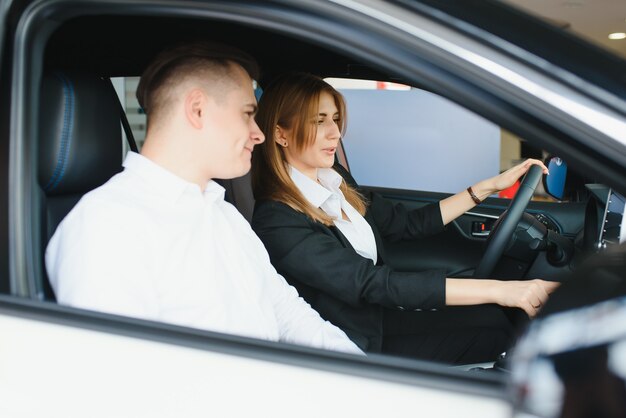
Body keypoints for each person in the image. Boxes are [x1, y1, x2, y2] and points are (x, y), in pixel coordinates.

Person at [45, 43, 362, 355]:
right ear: (197, 109)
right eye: (248, 114)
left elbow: (287, 313)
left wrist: (359, 372)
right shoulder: (107, 229)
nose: (259, 133)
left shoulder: (222, 213)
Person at [250, 72, 560, 363]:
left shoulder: (335, 179)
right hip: (359, 340)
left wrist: (488, 187)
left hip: (383, 314)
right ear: (281, 134)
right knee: (499, 333)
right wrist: (502, 289)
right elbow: (372, 284)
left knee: (494, 316)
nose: (334, 132)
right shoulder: (277, 220)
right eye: (319, 121)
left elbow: (408, 223)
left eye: (334, 118)